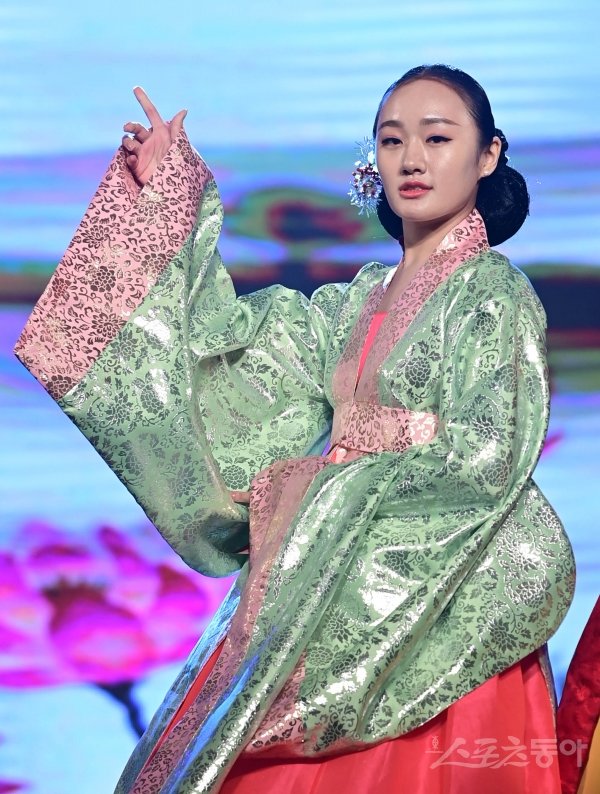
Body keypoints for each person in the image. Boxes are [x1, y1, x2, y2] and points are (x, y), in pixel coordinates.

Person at [14, 64, 575, 793]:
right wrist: (169, 202)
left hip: (436, 597)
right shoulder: (356, 301)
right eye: (392, 139)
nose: (411, 158)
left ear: (488, 154)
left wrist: (327, 491)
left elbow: (489, 457)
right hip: (319, 577)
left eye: (438, 138)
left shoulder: (494, 293)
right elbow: (230, 352)